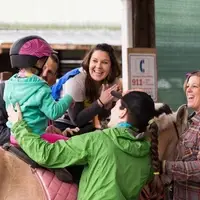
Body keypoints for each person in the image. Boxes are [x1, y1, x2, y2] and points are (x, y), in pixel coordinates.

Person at [8, 90, 163, 200]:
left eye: (116, 105)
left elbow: (47, 154)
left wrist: (19, 126)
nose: (113, 109)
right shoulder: (148, 154)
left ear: (123, 112)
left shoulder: (100, 140)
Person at [3, 35, 72, 145]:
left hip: (14, 136)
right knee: (71, 145)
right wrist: (69, 98)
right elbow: (54, 113)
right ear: (39, 62)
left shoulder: (11, 83)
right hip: (34, 138)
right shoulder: (40, 86)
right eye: (44, 61)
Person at [51, 43, 121, 134]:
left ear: (111, 66)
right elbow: (76, 121)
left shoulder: (112, 81)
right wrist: (100, 102)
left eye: (105, 62)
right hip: (61, 126)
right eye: (95, 61)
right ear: (88, 62)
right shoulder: (76, 80)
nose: (98, 66)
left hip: (86, 125)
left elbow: (101, 117)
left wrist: (107, 106)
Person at [0, 53, 59, 145]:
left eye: (50, 72)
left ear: (54, 79)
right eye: (43, 68)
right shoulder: (3, 90)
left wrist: (48, 131)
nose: (44, 74)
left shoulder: (46, 95)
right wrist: (29, 134)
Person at [161, 71, 200, 199]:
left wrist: (165, 166)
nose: (188, 90)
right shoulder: (191, 121)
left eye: (194, 86)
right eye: (187, 86)